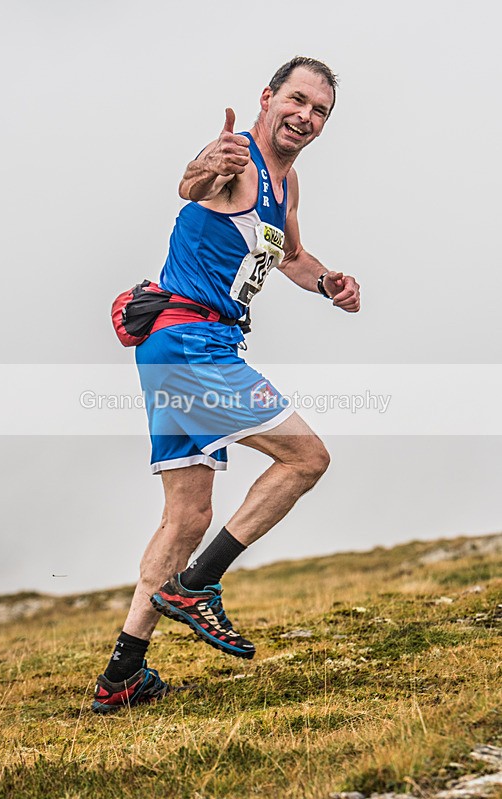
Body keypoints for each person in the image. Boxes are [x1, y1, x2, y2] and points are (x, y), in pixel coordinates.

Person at [92, 56, 360, 713]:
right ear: (267, 98)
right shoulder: (236, 156)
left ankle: (122, 675)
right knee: (306, 456)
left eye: (320, 109)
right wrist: (207, 165)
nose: (306, 115)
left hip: (178, 347)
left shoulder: (286, 187)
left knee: (187, 516)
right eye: (297, 99)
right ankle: (197, 585)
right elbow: (192, 183)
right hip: (190, 343)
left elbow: (291, 257)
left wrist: (329, 282)